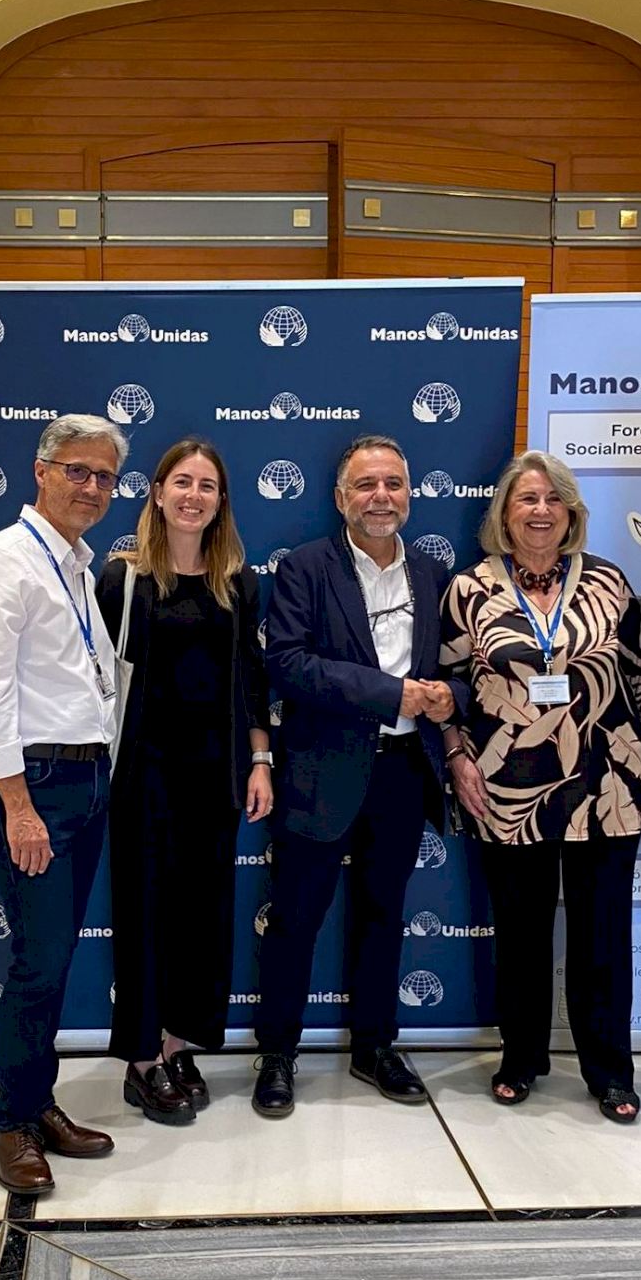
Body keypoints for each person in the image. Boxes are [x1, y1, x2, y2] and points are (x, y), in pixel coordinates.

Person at [251, 434, 466, 1117]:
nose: (381, 497)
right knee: (295, 919)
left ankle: (375, 1046)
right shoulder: (306, 568)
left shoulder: (433, 575)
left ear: (410, 495)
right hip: (321, 771)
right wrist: (392, 693)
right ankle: (277, 1053)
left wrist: (448, 697)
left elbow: (462, 665)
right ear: (341, 497)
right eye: (366, 485)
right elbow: (287, 662)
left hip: (403, 770)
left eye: (393, 484)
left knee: (383, 916)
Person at [440, 450, 641, 1124]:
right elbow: (448, 687)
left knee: (602, 934)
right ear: (504, 514)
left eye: (552, 499)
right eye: (526, 499)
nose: (540, 510)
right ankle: (521, 1057)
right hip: (508, 790)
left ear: (571, 512)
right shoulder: (469, 588)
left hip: (604, 783)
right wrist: (456, 756)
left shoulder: (610, 582)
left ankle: (610, 1071)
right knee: (521, 933)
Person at [0, 415, 127, 1196]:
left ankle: (37, 1101)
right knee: (37, 961)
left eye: (104, 476)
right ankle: (11, 1123)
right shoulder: (4, 562)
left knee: (52, 960)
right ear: (41, 471)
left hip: (85, 778)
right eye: (76, 470)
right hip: (34, 786)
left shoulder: (76, 565)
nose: (91, 486)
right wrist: (18, 806)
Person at [96, 438, 271, 1126]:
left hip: (214, 774)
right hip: (142, 773)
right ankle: (141, 1061)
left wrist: (261, 760)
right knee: (144, 914)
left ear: (220, 501)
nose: (194, 496)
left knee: (203, 913)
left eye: (207, 486)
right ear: (158, 492)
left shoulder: (238, 583)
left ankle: (177, 1044)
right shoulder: (124, 579)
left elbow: (251, 679)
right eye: (183, 482)